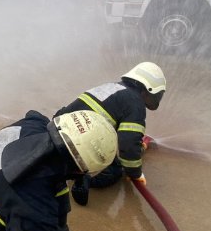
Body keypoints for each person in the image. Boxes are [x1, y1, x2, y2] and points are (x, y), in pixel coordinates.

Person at [54, 61, 166, 205]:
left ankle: (70, 168)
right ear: (147, 89)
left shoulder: (112, 87)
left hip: (59, 129)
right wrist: (135, 173)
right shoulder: (136, 103)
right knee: (114, 170)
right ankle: (85, 178)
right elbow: (128, 144)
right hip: (78, 142)